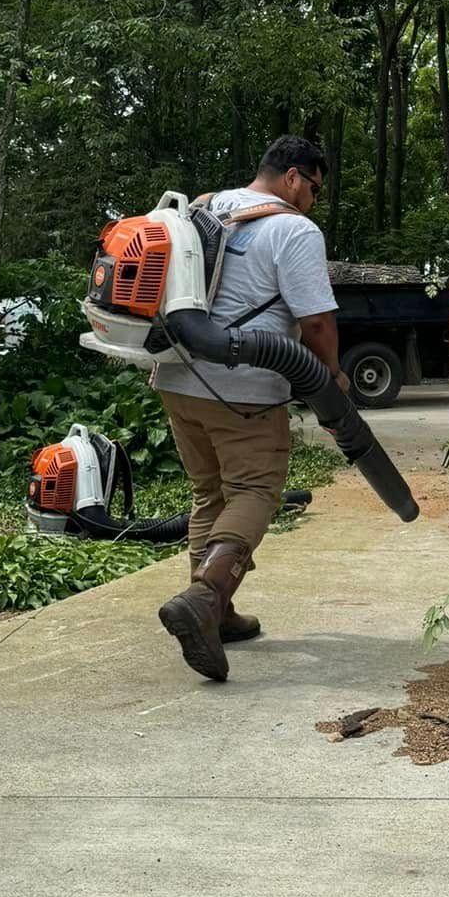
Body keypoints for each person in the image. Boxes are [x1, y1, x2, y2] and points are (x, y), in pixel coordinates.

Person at [153, 133, 343, 681]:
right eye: (313, 187)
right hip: (243, 389)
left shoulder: (202, 207)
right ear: (292, 177)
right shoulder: (293, 228)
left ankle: (221, 611)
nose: (312, 198)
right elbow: (316, 321)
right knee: (255, 490)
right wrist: (330, 376)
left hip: (175, 376)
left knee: (209, 492)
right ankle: (206, 598)